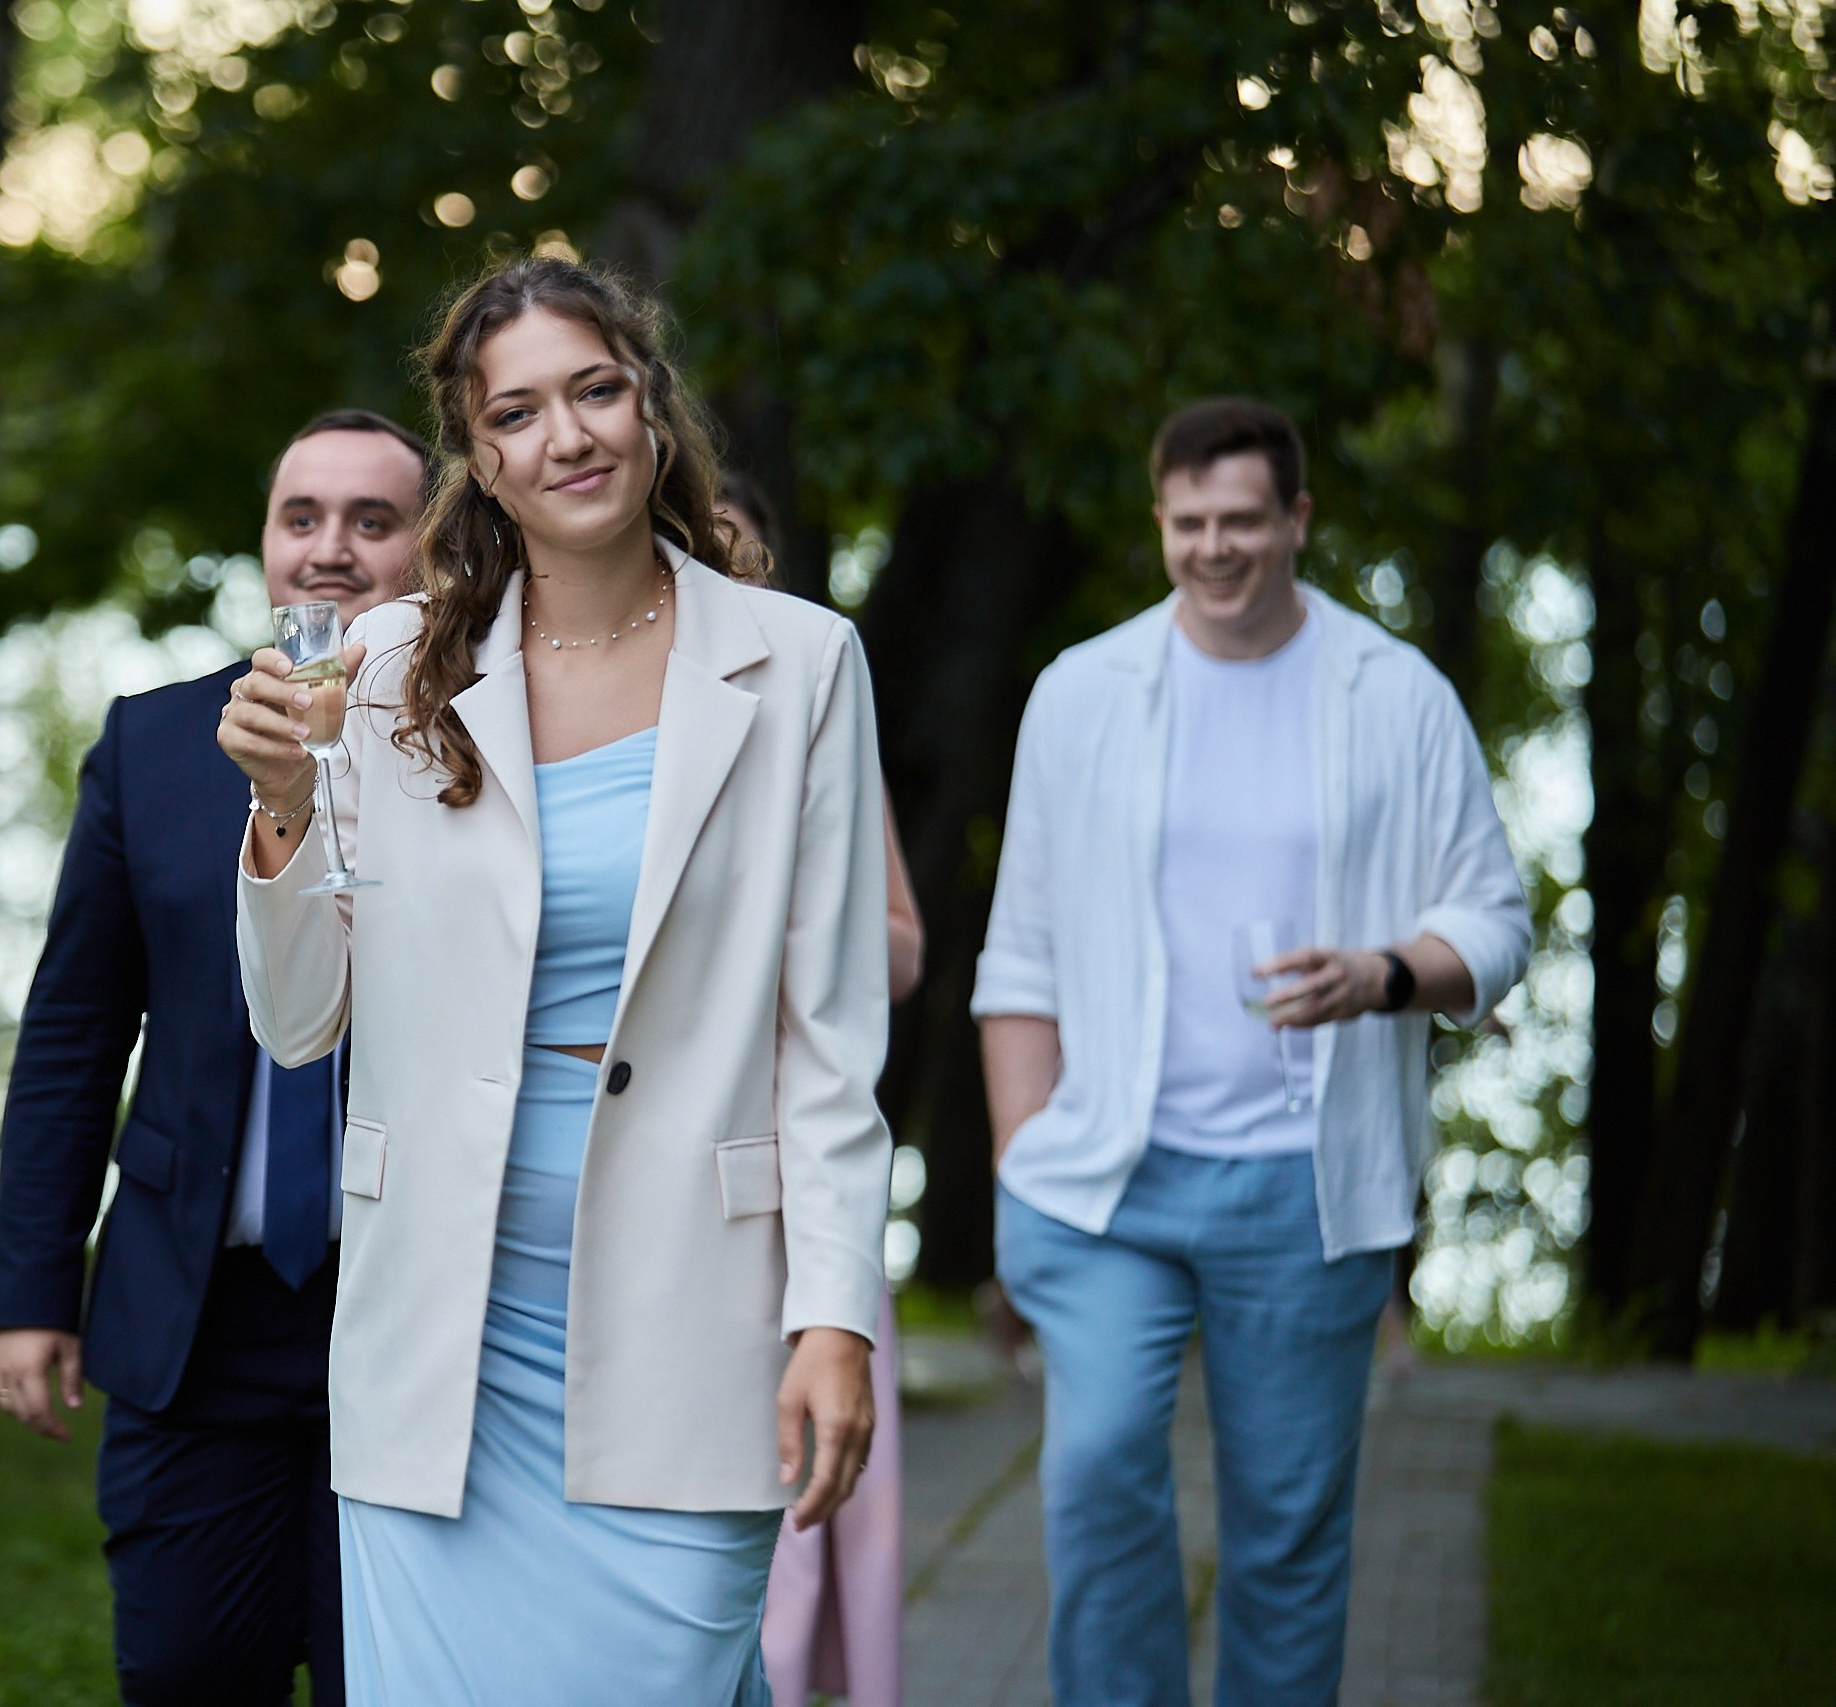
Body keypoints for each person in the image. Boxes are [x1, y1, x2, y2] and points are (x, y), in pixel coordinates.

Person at [218, 257, 894, 1705]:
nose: (568, 435)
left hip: (692, 1320)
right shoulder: (391, 663)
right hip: (435, 1339)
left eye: (595, 389)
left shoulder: (802, 663)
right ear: (480, 458)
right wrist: (281, 809)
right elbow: (298, 1015)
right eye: (518, 412)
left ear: (651, 405)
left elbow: (830, 1044)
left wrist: (832, 1318)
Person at [973, 397, 1532, 1705]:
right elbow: (1022, 954)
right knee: (1099, 1461)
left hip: (1306, 1182)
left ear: (1297, 519)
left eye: (1240, 521)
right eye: (1187, 524)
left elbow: (1495, 922)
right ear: (1159, 522)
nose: (1214, 548)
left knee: (1285, 1527)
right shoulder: (1083, 692)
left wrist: (1384, 972)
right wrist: (1020, 1161)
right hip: (1109, 1176)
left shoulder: (1394, 694)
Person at [0, 409, 432, 1705]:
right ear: (267, 543)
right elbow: (75, 1030)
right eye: (302, 517)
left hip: (407, 1313)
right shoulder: (150, 746)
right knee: (184, 1671)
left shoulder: (475, 752)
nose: (330, 549)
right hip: (196, 1318)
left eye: (371, 519)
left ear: (431, 547)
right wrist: (30, 1285)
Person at [719, 478, 918, 1707]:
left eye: (743, 561)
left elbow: (896, 948)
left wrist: (806, 928)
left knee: (810, 1501)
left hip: (806, 1166)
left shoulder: (813, 701)